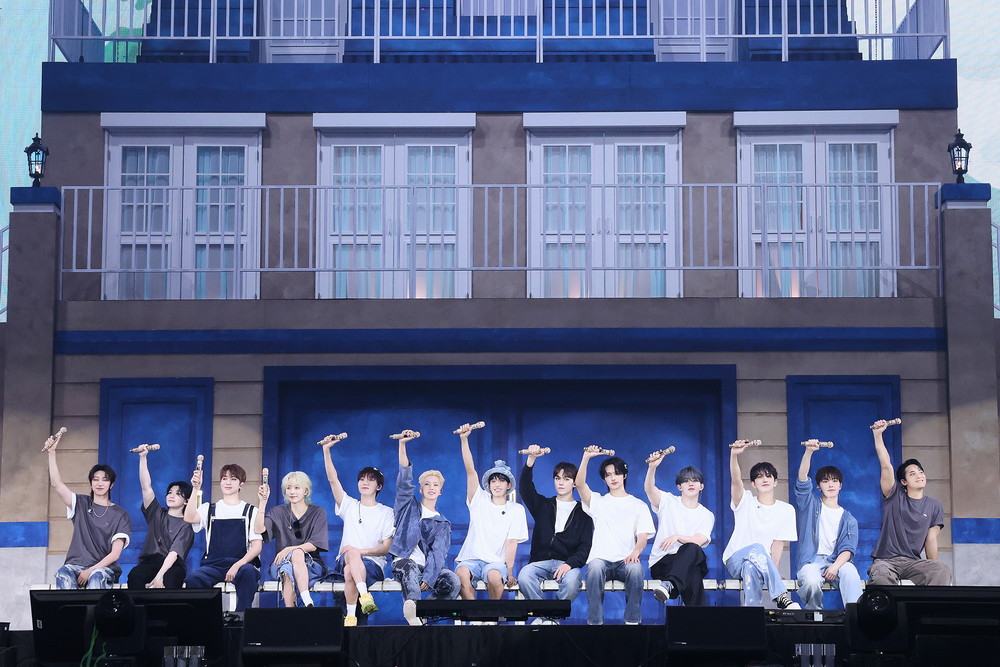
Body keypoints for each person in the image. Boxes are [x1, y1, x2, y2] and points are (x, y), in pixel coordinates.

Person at [388, 429, 460, 626]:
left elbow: (438, 553)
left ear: (440, 491)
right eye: (427, 484)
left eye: (435, 485)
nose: (431, 488)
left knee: (453, 581)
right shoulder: (407, 506)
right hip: (404, 563)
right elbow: (404, 481)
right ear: (420, 489)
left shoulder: (442, 523)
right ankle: (413, 610)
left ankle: (423, 613)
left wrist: (429, 578)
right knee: (409, 567)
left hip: (426, 568)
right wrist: (402, 444)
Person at [576, 446, 655, 625]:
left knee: (636, 570)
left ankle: (632, 621)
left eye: (617, 473)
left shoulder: (638, 505)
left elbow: (643, 536)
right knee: (594, 568)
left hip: (625, 560)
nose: (613, 478)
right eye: (608, 475)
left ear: (624, 475)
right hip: (601, 559)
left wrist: (636, 552)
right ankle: (595, 623)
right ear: (604, 478)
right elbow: (579, 484)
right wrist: (586, 457)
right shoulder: (598, 501)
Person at [323, 435, 395, 627]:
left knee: (350, 570)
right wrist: (326, 450)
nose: (365, 482)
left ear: (379, 486)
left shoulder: (387, 512)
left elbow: (386, 548)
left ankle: (351, 616)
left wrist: (357, 551)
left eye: (370, 480)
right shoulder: (349, 505)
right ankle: (365, 596)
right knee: (349, 563)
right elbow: (332, 480)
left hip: (372, 565)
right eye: (362, 479)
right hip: (345, 561)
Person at [516, 445, 593, 623]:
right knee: (524, 576)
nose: (561, 482)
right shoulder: (543, 505)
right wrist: (531, 460)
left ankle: (553, 618)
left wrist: (569, 564)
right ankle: (545, 616)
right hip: (539, 562)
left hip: (566, 564)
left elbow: (585, 546)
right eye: (557, 478)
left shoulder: (585, 512)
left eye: (566, 479)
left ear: (574, 483)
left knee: (573, 580)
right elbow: (525, 489)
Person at [868, 420, 951, 585]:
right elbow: (886, 465)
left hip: (913, 562)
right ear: (903, 482)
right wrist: (878, 435)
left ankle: (932, 603)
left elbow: (931, 539)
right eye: (912, 474)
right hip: (886, 561)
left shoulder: (934, 506)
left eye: (920, 472)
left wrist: (932, 567)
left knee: (940, 569)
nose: (919, 475)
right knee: (881, 574)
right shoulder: (894, 495)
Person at [46, 430, 131, 589]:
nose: (100, 483)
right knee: (63, 572)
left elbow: (115, 554)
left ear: (111, 484)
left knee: (97, 576)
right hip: (75, 565)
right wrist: (51, 452)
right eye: (95, 479)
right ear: (91, 483)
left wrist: (90, 571)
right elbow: (57, 484)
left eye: (105, 480)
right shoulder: (80, 503)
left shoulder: (120, 515)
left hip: (104, 569)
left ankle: (95, 607)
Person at [455, 423, 529, 601]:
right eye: (493, 481)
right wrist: (464, 440)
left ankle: (492, 616)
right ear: (488, 485)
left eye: (501, 481)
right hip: (471, 559)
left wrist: (509, 571)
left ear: (508, 485)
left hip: (496, 563)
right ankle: (473, 615)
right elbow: (470, 471)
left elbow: (512, 543)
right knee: (461, 573)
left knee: (495, 577)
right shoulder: (479, 500)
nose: (497, 484)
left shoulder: (516, 510)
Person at [722, 443, 801, 610]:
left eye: (769, 476)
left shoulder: (786, 510)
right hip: (735, 559)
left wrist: (773, 570)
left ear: (775, 482)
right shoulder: (745, 501)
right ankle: (781, 596)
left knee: (750, 567)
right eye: (759, 477)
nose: (765, 479)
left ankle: (751, 613)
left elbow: (778, 543)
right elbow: (736, 480)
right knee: (757, 548)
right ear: (753, 484)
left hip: (758, 564)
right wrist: (734, 455)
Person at [184, 463, 263, 613]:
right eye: (224, 478)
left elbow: (257, 547)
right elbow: (188, 518)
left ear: (241, 484)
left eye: (233, 479)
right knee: (193, 578)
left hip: (241, 564)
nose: (228, 482)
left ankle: (241, 617)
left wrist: (237, 565)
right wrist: (195, 488)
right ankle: (206, 619)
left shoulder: (251, 511)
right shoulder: (208, 509)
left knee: (249, 573)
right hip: (213, 565)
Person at [793, 441, 862, 609]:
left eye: (835, 481)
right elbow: (802, 480)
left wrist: (835, 567)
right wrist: (809, 452)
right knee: (811, 581)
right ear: (818, 486)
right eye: (825, 481)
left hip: (836, 561)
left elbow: (848, 549)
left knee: (851, 572)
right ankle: (814, 615)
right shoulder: (810, 505)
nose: (831, 485)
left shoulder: (849, 519)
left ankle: (856, 616)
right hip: (811, 561)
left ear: (840, 485)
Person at [644, 452, 714, 606]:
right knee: (694, 574)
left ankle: (670, 585)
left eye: (695, 481)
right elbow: (649, 489)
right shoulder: (668, 501)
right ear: (679, 487)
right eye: (686, 481)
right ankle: (699, 619)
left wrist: (677, 537)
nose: (691, 484)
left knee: (692, 549)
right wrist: (652, 468)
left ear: (701, 486)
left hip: (686, 564)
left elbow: (700, 540)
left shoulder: (706, 515)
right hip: (663, 562)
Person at [255, 470, 328, 608]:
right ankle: (298, 608)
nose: (292, 492)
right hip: (283, 564)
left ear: (306, 491)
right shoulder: (277, 512)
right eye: (288, 488)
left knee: (297, 553)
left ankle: (304, 601)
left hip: (311, 565)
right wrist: (262, 503)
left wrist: (289, 549)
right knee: (287, 569)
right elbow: (259, 529)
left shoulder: (318, 512)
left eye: (297, 488)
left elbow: (314, 545)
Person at [127, 444, 194, 589]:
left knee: (170, 579)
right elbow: (146, 487)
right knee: (135, 575)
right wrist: (143, 458)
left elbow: (174, 554)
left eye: (178, 494)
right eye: (170, 492)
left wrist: (159, 576)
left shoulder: (186, 525)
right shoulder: (157, 513)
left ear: (186, 501)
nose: (171, 496)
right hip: (151, 562)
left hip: (172, 565)